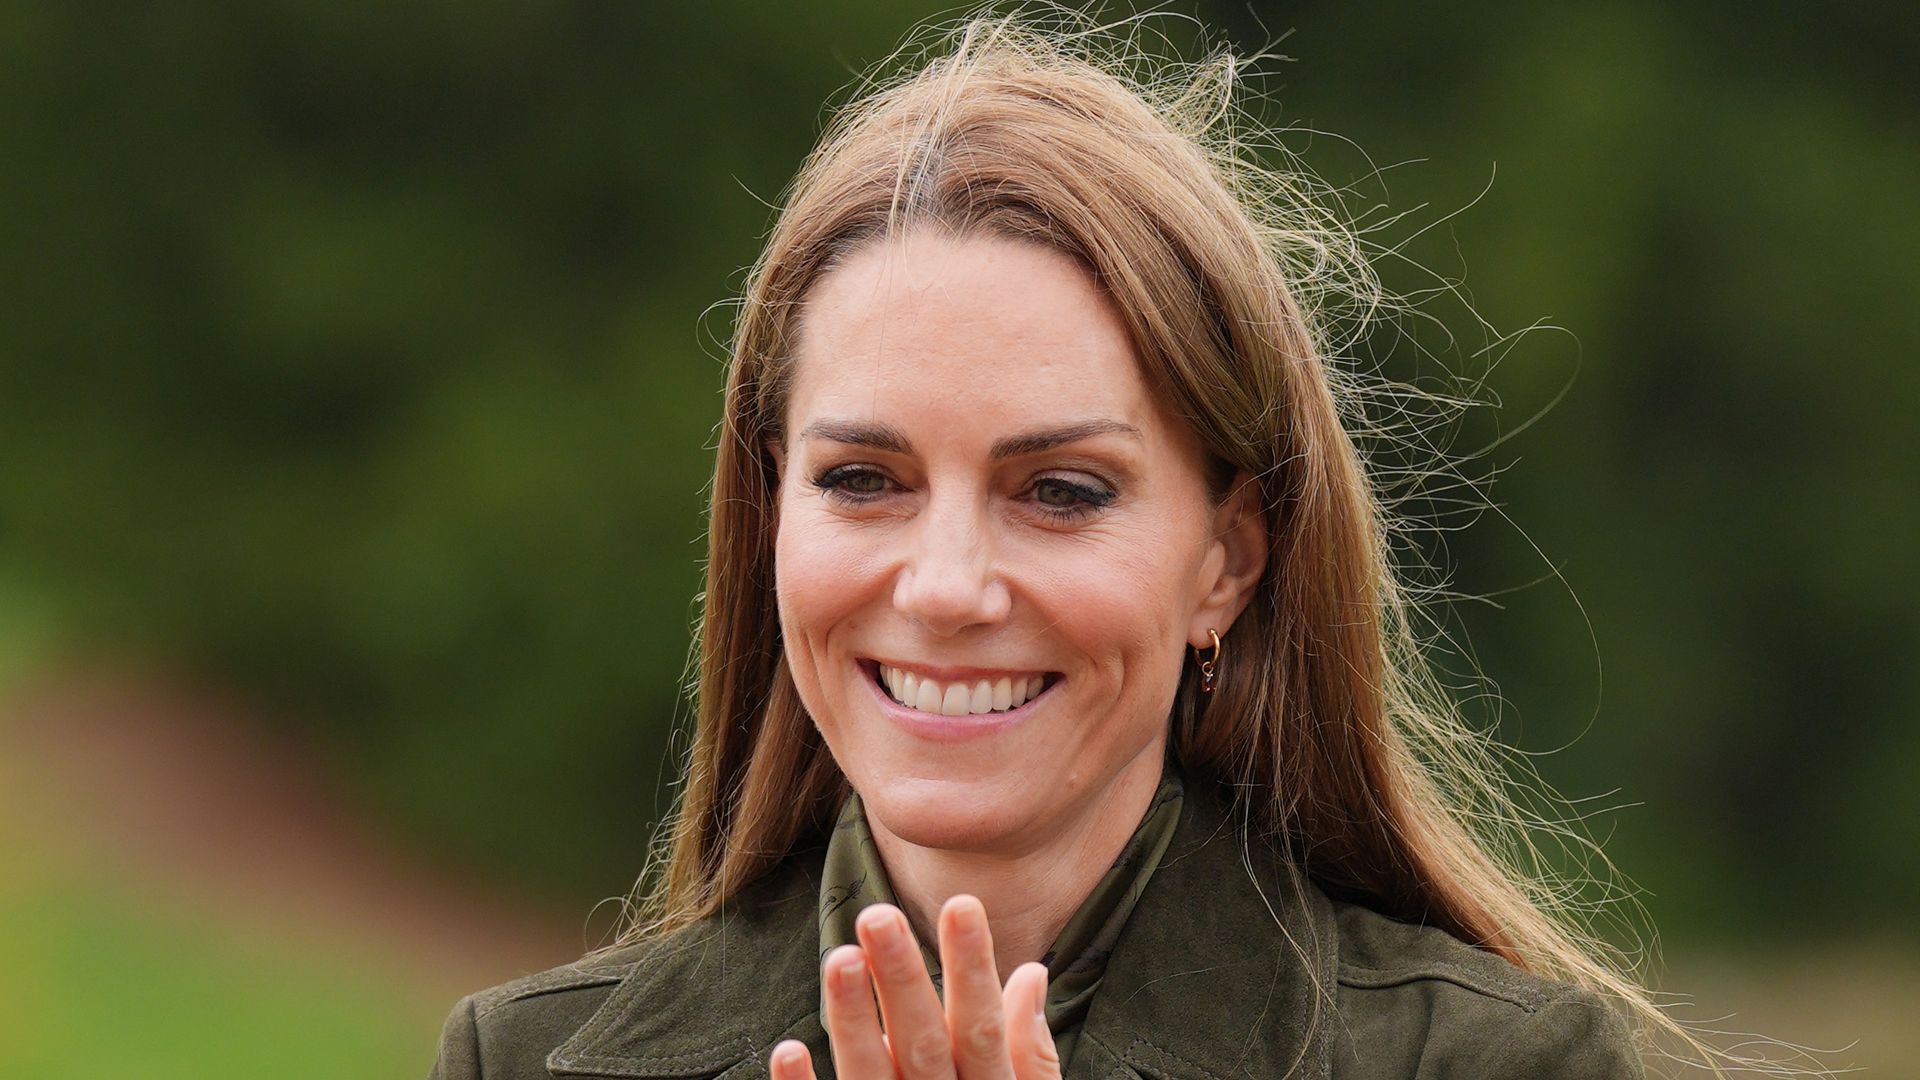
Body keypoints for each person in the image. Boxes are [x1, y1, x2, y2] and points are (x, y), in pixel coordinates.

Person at [427, 12, 1709, 1079]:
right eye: (864, 479)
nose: (943, 588)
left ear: (1229, 559)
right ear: (770, 516)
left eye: (1062, 491)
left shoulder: (1495, 1066)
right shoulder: (516, 1058)